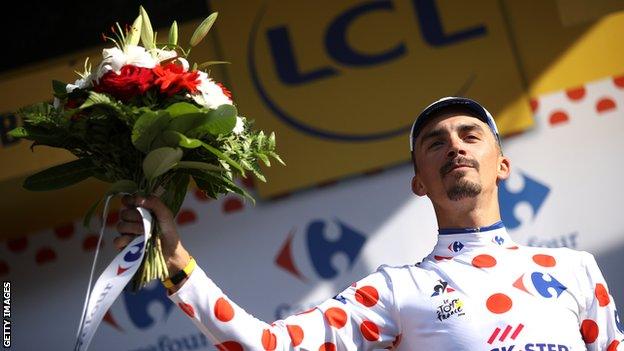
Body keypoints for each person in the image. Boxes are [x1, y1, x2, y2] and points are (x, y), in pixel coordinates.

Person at [115, 97, 624, 350]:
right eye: (435, 143)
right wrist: (177, 265)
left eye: (470, 134)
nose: (455, 146)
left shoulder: (575, 269)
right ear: (418, 182)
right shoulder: (394, 291)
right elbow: (265, 345)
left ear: (503, 163)